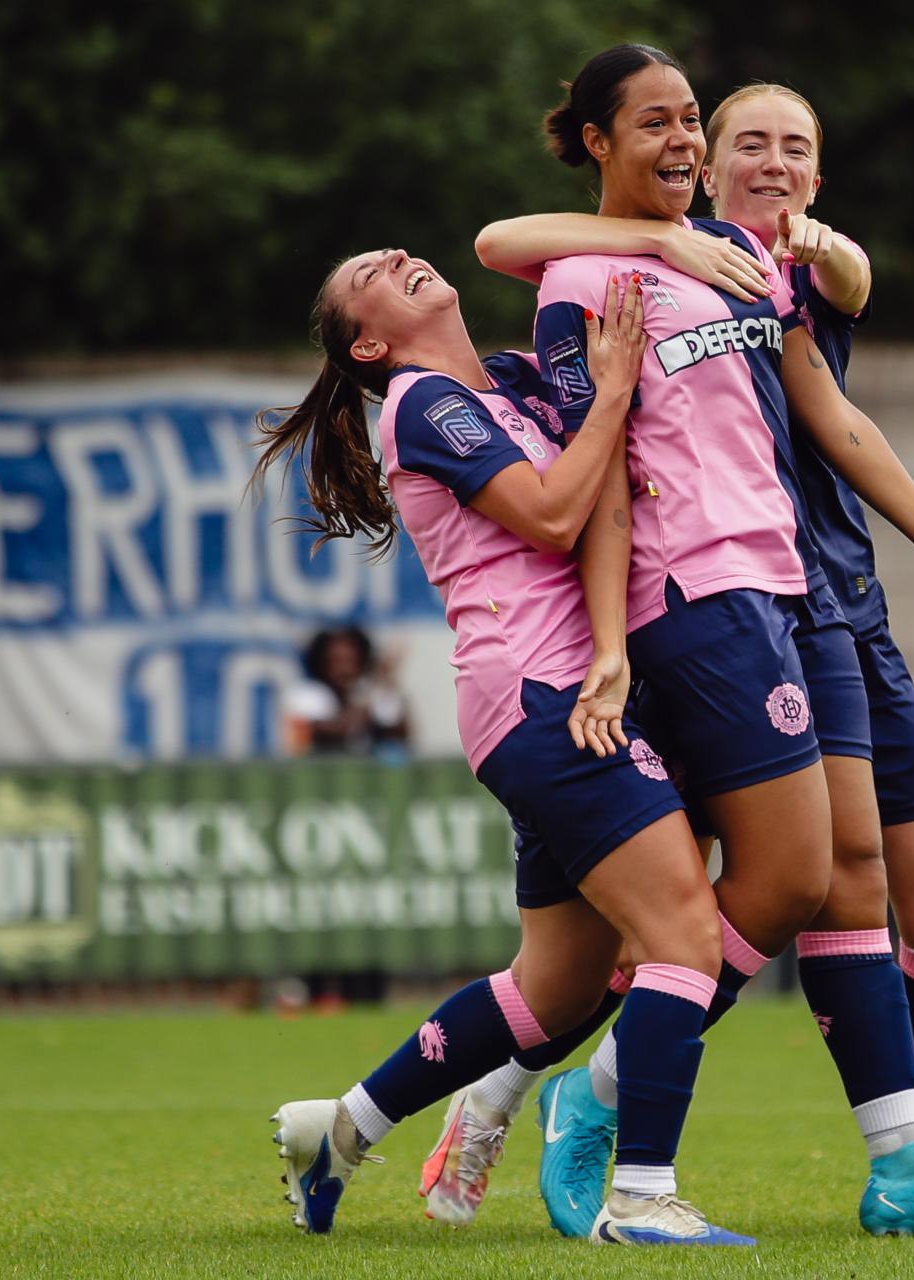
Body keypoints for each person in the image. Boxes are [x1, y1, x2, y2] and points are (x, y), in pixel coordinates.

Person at [444, 46, 914, 1240]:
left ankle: (911, 1163)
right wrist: (610, 639)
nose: (745, 156)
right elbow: (512, 269)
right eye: (709, 135)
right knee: (755, 895)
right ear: (695, 162)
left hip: (807, 598)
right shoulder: (619, 268)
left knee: (885, 887)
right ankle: (587, 1113)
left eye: (796, 145)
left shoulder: (765, 276)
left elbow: (834, 388)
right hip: (708, 606)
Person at [252, 251, 752, 1246]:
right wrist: (612, 391)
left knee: (560, 985)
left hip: (544, 701)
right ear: (371, 343)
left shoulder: (504, 380)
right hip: (549, 698)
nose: (400, 256)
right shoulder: (422, 401)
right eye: (374, 273)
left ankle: (342, 1127)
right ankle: (643, 1194)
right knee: (687, 933)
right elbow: (560, 511)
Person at [283, 625, 411, 757]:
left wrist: (388, 681)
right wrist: (377, 682)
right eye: (336, 661)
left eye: (350, 661)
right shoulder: (306, 694)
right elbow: (332, 731)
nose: (344, 670)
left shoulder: (365, 693)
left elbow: (400, 733)